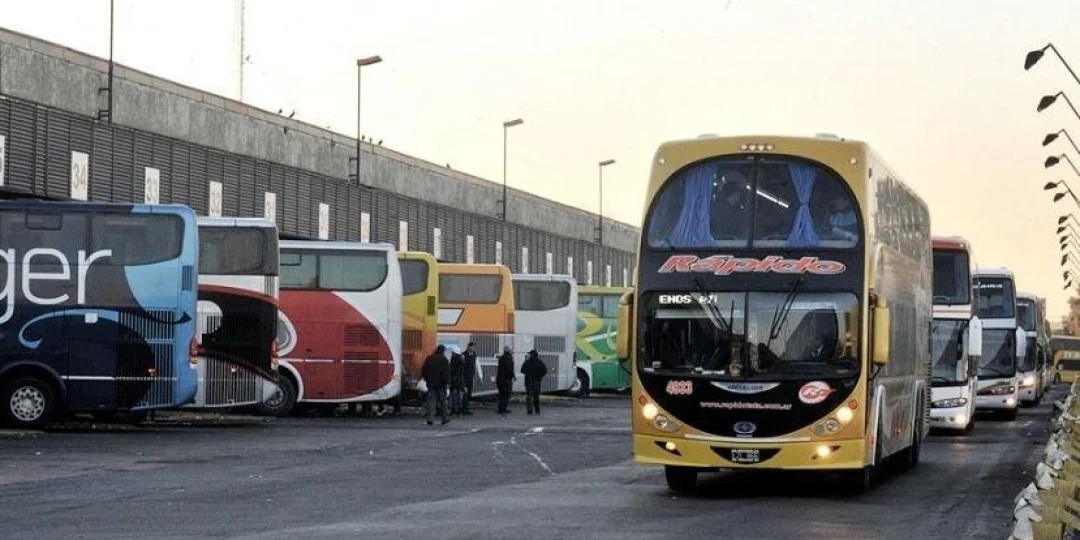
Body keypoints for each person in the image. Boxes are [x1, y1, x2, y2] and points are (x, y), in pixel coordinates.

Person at [421, 344, 451, 425]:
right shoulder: (444, 360)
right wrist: (447, 382)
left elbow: (424, 369)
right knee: (443, 402)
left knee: (431, 402)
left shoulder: (429, 358)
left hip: (431, 384)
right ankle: (444, 418)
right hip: (441, 385)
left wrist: (426, 377)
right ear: (443, 351)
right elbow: (447, 372)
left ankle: (430, 419)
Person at [521, 349, 547, 415]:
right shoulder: (539, 362)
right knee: (536, 397)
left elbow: (522, 370)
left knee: (529, 397)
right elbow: (545, 370)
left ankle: (530, 410)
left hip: (528, 382)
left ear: (531, 354)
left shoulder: (527, 362)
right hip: (537, 382)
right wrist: (539, 376)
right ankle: (537, 410)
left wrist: (527, 374)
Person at [495, 345, 516, 414]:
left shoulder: (502, 358)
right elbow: (509, 368)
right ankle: (503, 408)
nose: (512, 351)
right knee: (506, 394)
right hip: (506, 379)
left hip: (500, 379)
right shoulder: (509, 358)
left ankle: (501, 408)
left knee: (501, 395)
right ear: (508, 351)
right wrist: (513, 376)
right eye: (511, 350)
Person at [461, 342, 478, 415]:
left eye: (474, 347)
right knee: (465, 393)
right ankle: (464, 409)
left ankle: (466, 407)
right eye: (472, 347)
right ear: (468, 347)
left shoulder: (474, 355)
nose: (473, 348)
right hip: (464, 376)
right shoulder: (463, 355)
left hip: (471, 376)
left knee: (469, 393)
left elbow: (476, 365)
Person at [449, 345, 466, 415]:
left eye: (452, 352)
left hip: (454, 380)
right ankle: (459, 409)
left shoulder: (454, 359)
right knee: (459, 395)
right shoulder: (461, 359)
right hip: (460, 380)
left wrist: (452, 378)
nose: (451, 353)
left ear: (454, 352)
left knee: (453, 395)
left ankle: (453, 409)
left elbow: (452, 370)